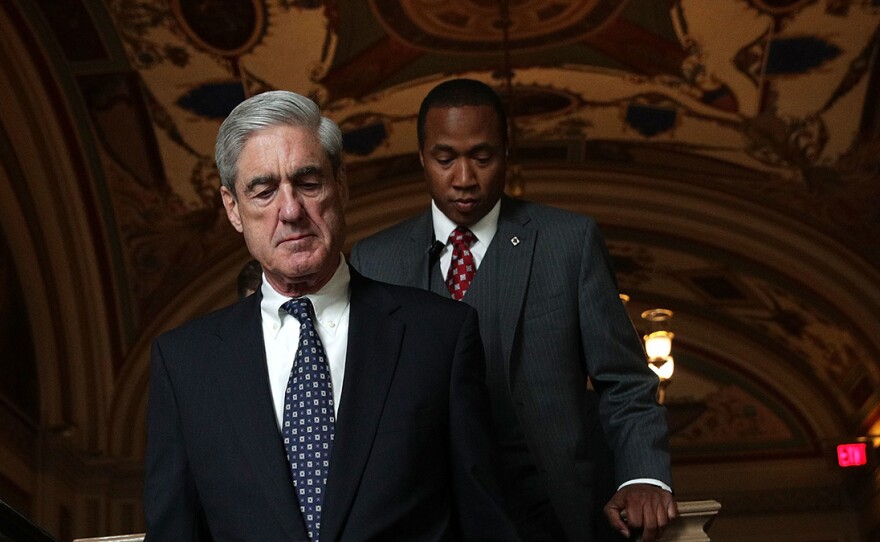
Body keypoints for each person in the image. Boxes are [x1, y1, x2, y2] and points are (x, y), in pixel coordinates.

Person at [143, 90, 520, 541]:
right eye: (263, 191)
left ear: (341, 186)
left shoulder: (439, 335)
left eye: (308, 182)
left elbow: (485, 523)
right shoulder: (184, 363)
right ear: (232, 209)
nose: (290, 211)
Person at [350, 78, 676, 542]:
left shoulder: (569, 242)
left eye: (483, 158)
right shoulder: (373, 259)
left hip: (549, 513)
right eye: (445, 159)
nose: (464, 178)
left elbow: (623, 379)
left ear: (507, 152)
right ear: (421, 158)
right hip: (422, 518)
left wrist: (644, 475)